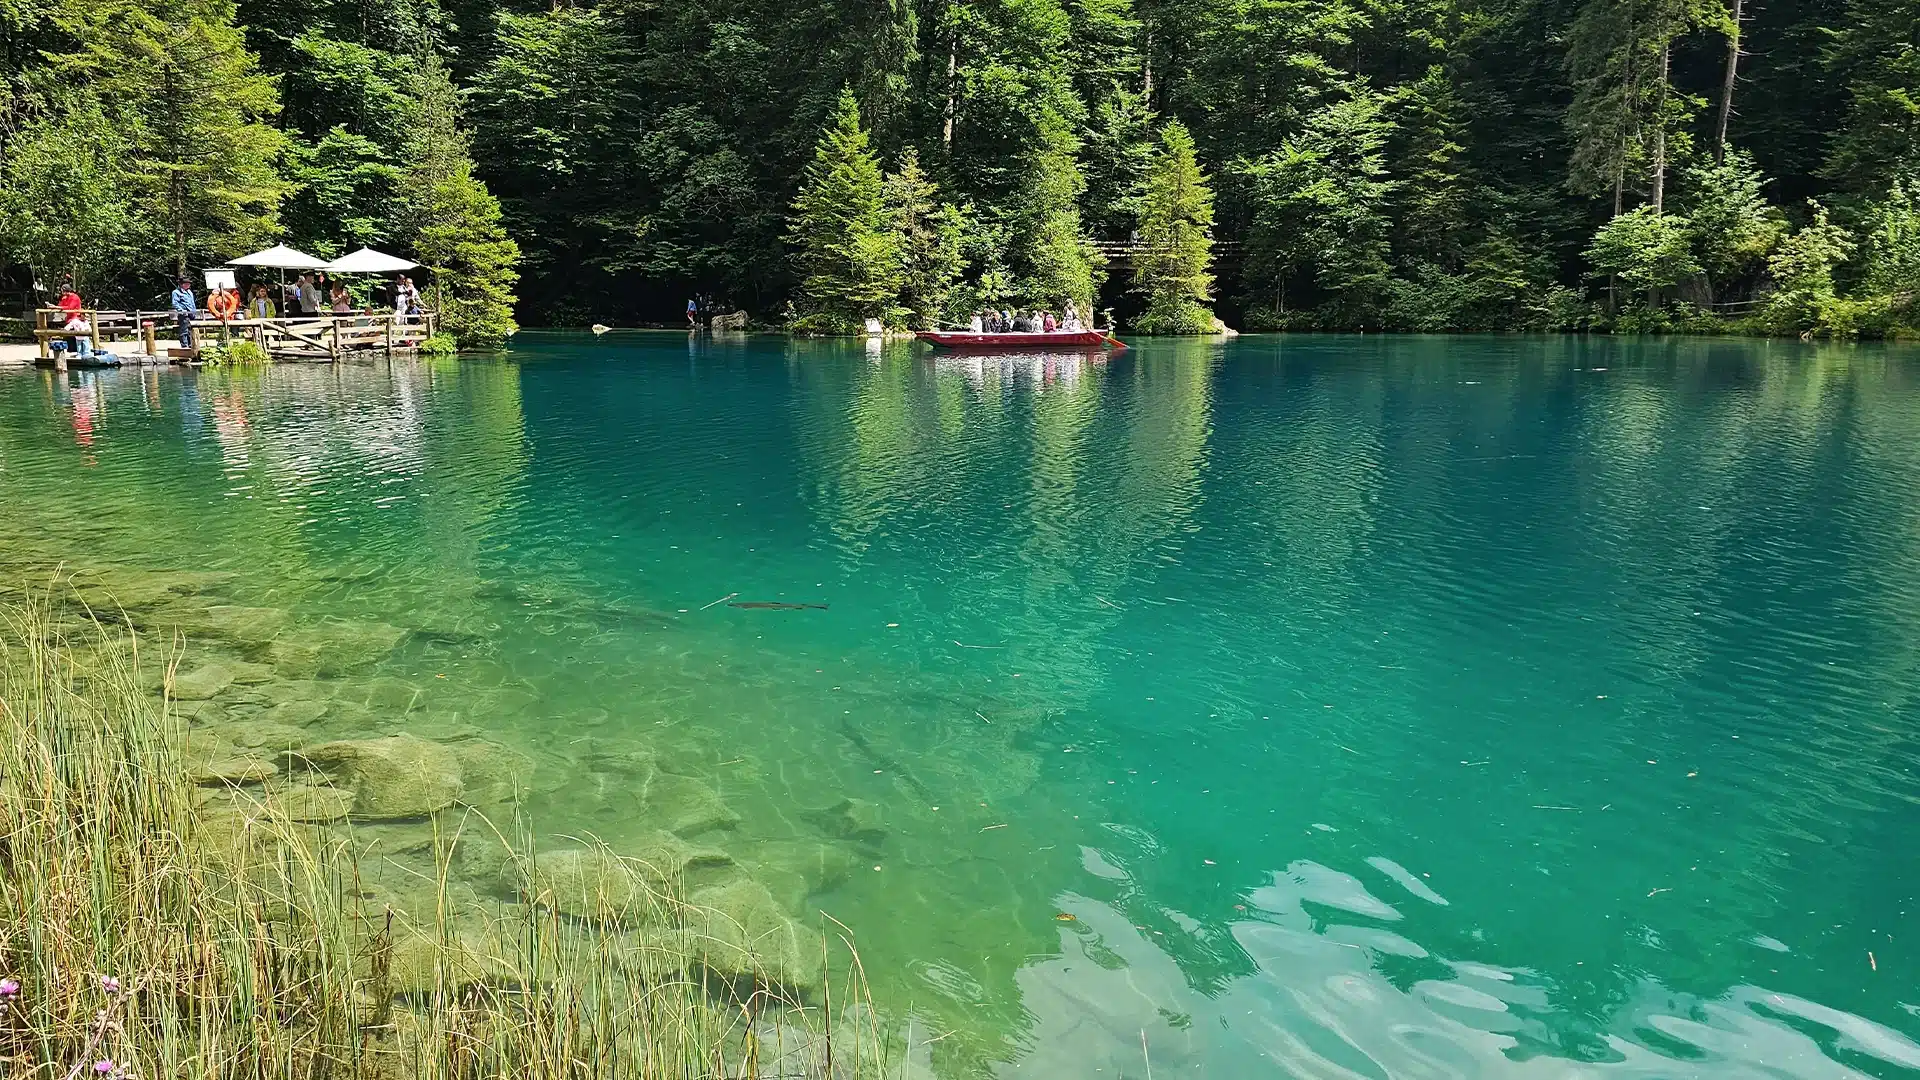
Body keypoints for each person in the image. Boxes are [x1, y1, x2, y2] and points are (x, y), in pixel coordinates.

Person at [170, 276, 196, 348]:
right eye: (187, 283)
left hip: (191, 313)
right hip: (184, 314)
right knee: (184, 330)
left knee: (191, 330)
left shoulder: (189, 292)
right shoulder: (176, 292)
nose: (189, 285)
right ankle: (184, 346)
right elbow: (175, 303)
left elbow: (192, 303)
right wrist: (182, 310)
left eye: (189, 283)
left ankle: (191, 345)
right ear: (182, 284)